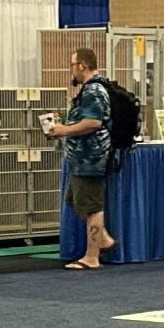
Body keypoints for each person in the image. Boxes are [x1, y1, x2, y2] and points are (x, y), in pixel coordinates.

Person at [47, 47, 114, 269]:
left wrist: (64, 130)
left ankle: (92, 257)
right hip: (81, 159)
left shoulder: (93, 90)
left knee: (92, 206)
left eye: (72, 65)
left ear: (82, 65)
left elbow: (93, 122)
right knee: (78, 202)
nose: (72, 70)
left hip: (90, 158)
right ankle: (103, 239)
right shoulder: (89, 89)